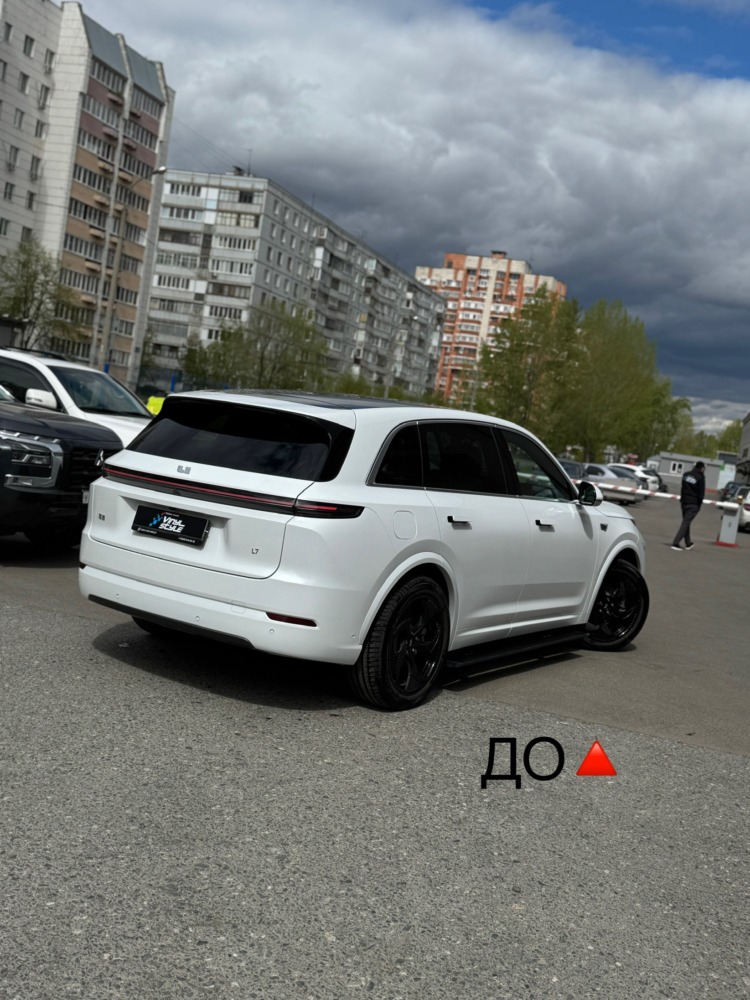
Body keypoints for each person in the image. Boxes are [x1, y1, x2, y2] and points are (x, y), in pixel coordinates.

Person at [671, 461, 705, 550]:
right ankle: (675, 543)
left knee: (686, 522)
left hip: (684, 502)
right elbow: (701, 493)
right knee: (686, 522)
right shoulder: (700, 477)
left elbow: (683, 488)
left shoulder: (686, 475)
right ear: (702, 468)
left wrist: (682, 499)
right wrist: (699, 504)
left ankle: (688, 543)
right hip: (693, 503)